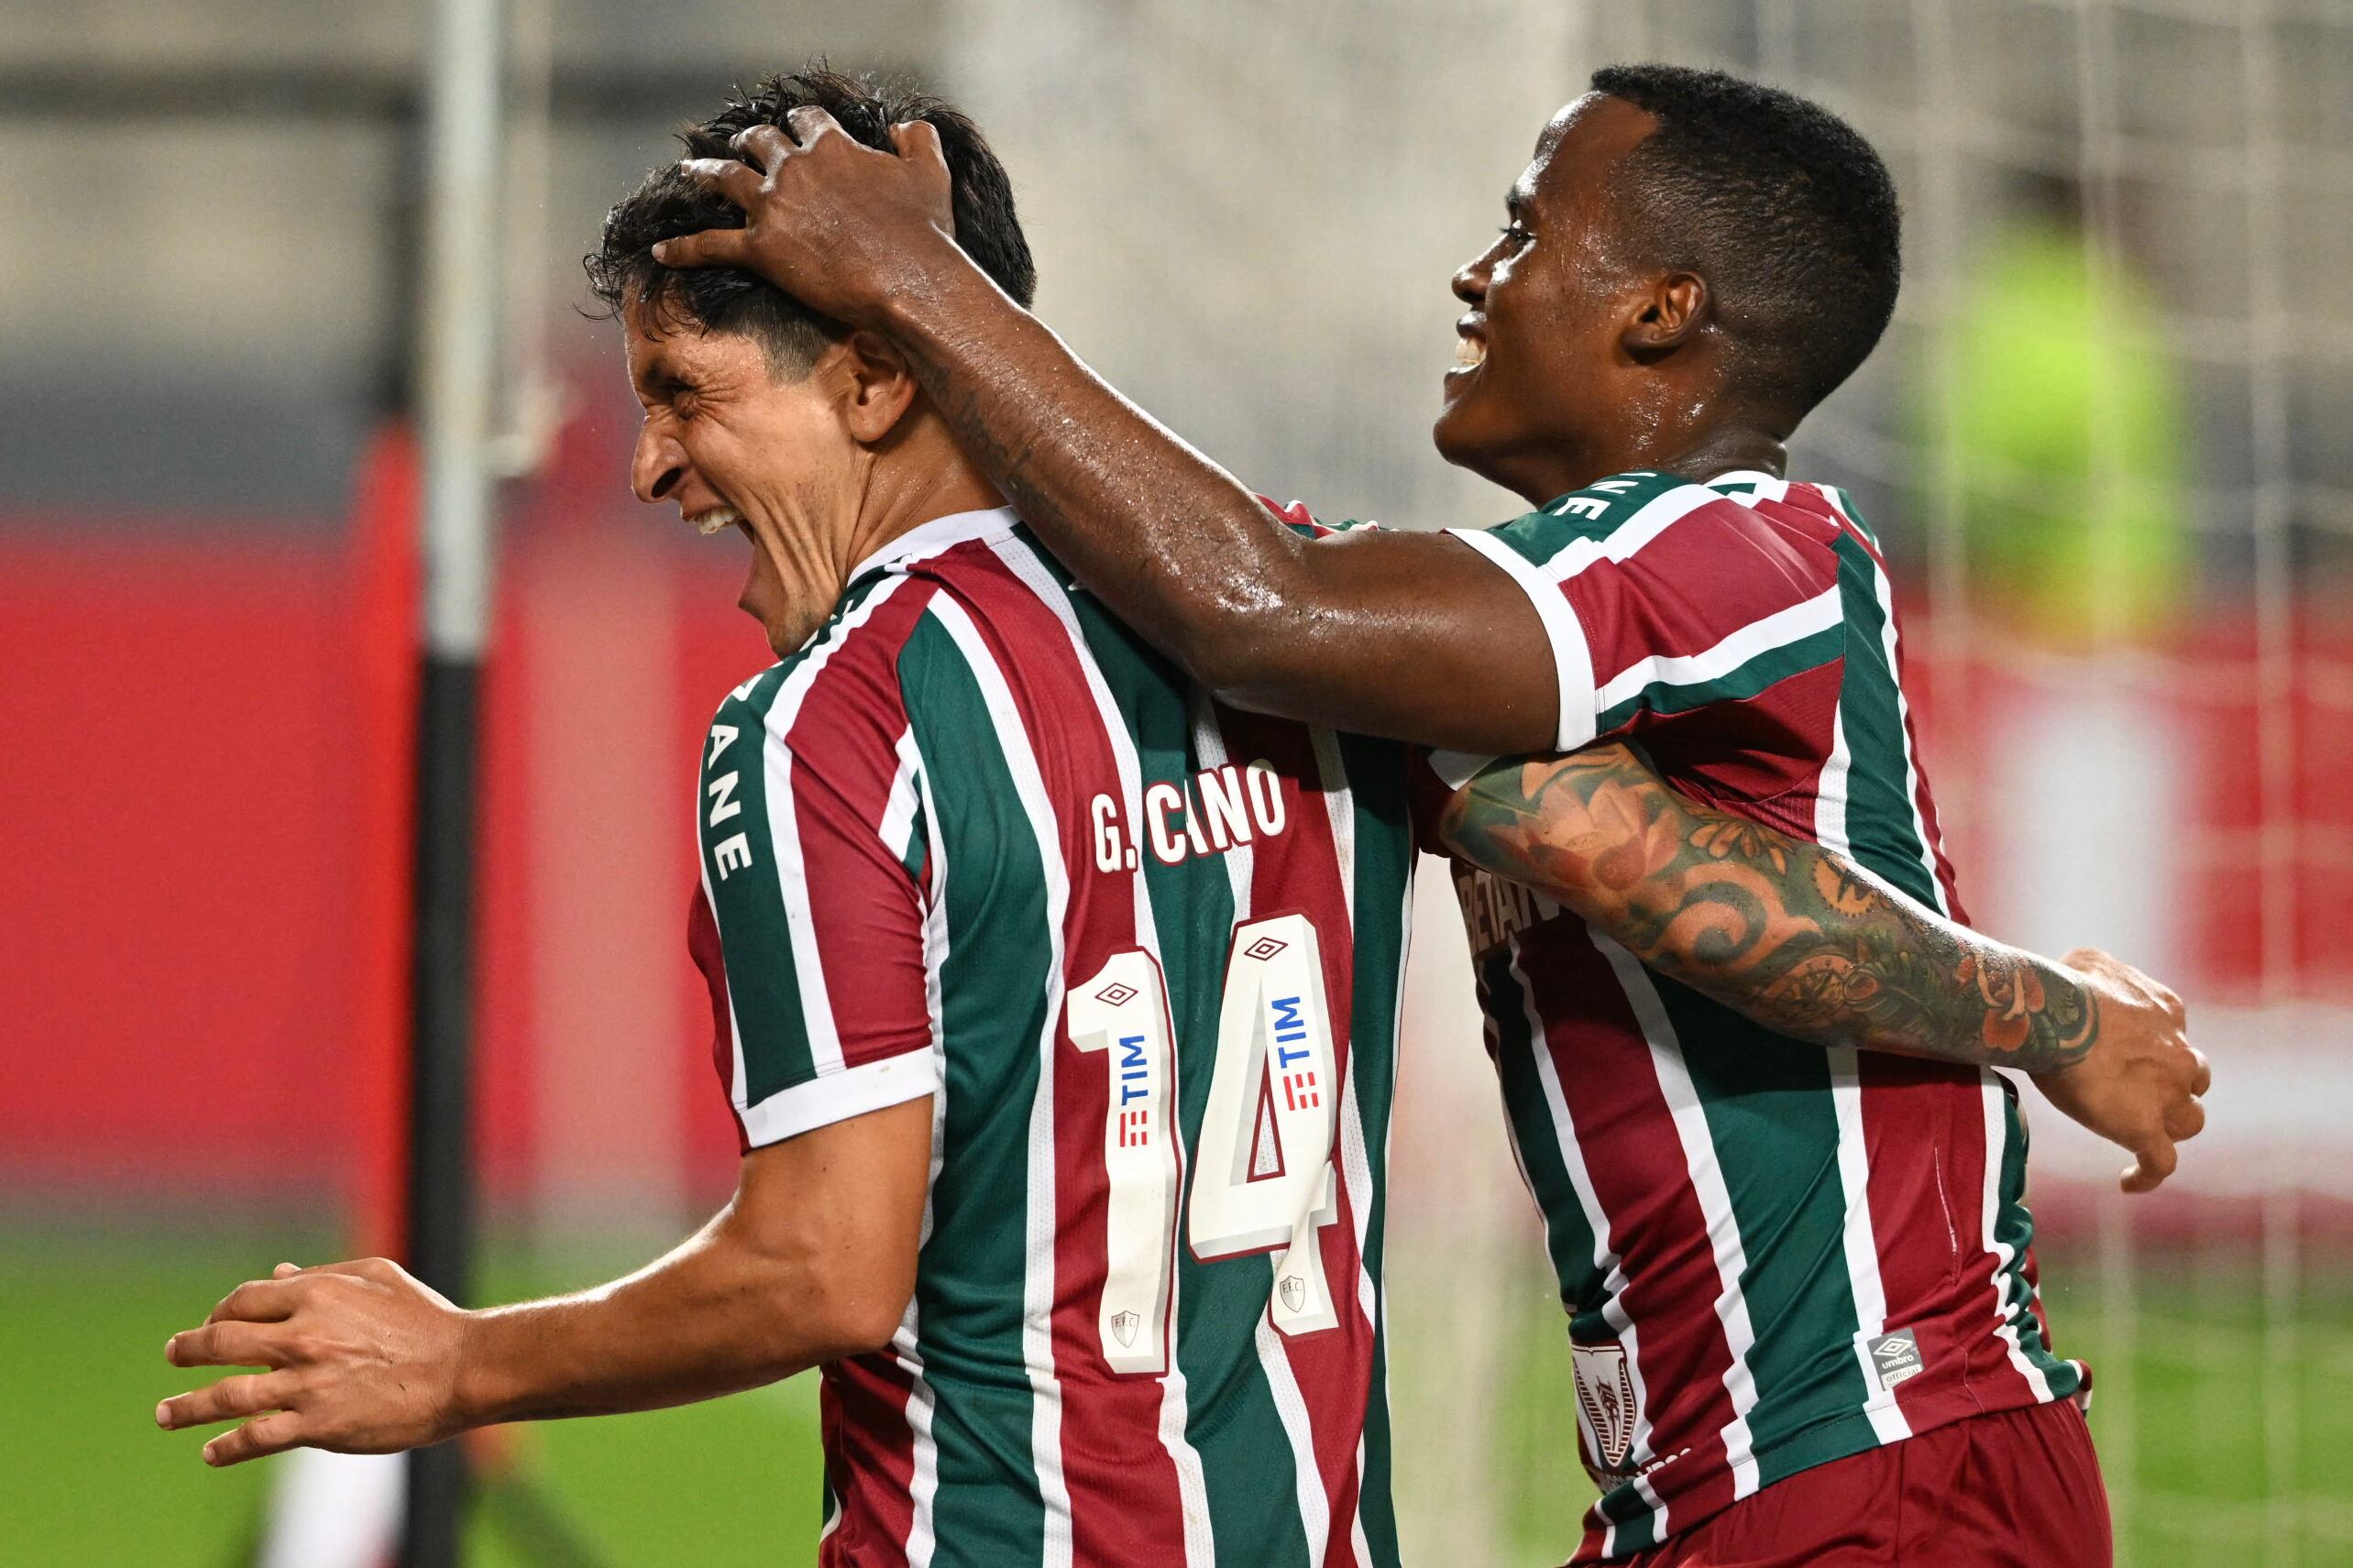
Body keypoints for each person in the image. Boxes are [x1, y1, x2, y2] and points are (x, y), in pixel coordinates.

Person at [648, 64, 2210, 1565]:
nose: (1478, 274)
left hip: (1885, 1456)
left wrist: (920, 284)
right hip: (1708, 1485)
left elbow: (1269, 604)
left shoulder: (1755, 551)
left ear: (1663, 311)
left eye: (1529, 231)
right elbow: (1606, 837)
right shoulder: (1509, 657)